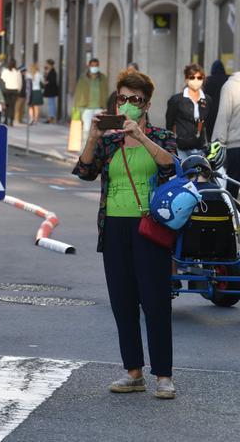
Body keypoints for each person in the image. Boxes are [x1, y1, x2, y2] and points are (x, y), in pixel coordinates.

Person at [73, 69, 177, 400]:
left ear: (146, 104)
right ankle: (133, 371)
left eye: (134, 99)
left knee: (156, 301)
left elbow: (170, 166)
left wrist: (142, 137)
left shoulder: (161, 136)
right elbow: (86, 172)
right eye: (122, 98)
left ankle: (163, 375)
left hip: (149, 226)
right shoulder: (109, 139)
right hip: (114, 225)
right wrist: (92, 137)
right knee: (123, 301)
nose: (127, 105)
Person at [166, 64, 212, 159]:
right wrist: (172, 145)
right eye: (192, 77)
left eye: (199, 77)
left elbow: (209, 124)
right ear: (187, 79)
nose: (196, 81)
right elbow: (169, 123)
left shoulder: (207, 100)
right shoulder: (176, 100)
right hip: (181, 148)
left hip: (200, 148)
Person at [212, 68, 240, 197]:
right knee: (234, 183)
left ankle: (232, 214)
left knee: (233, 183)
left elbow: (223, 117)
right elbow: (224, 117)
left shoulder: (230, 86)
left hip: (235, 145)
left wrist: (217, 143)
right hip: (235, 145)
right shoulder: (232, 86)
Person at [73, 58, 109, 144]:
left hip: (99, 108)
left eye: (96, 65)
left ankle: (97, 151)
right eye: (92, 65)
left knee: (99, 131)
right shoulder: (83, 78)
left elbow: (106, 92)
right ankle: (85, 151)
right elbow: (78, 93)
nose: (94, 67)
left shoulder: (103, 78)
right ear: (89, 66)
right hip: (87, 108)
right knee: (86, 129)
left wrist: (105, 107)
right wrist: (78, 108)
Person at [204, 60, 229, 141]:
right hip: (225, 111)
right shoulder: (228, 79)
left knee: (211, 137)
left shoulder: (207, 81)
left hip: (211, 113)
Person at [0, 58, 22, 126]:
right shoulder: (17, 72)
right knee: (12, 106)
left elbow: (2, 79)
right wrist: (19, 90)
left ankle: (6, 119)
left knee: (6, 105)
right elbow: (20, 82)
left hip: (6, 89)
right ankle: (11, 121)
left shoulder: (5, 71)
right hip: (14, 90)